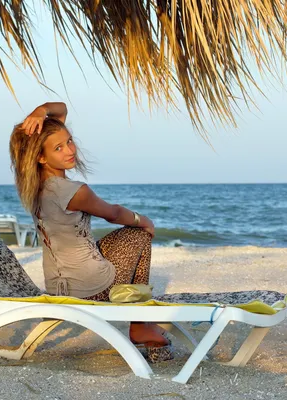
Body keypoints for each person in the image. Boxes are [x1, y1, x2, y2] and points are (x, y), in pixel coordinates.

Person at [9, 102, 172, 361]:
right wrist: (144, 220)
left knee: (115, 240)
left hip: (59, 284)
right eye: (59, 148)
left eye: (70, 141)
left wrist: (41, 111)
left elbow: (59, 110)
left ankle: (140, 323)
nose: (70, 150)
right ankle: (140, 325)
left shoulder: (36, 184)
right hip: (88, 288)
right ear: (41, 157)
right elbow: (113, 214)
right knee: (138, 234)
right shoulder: (72, 191)